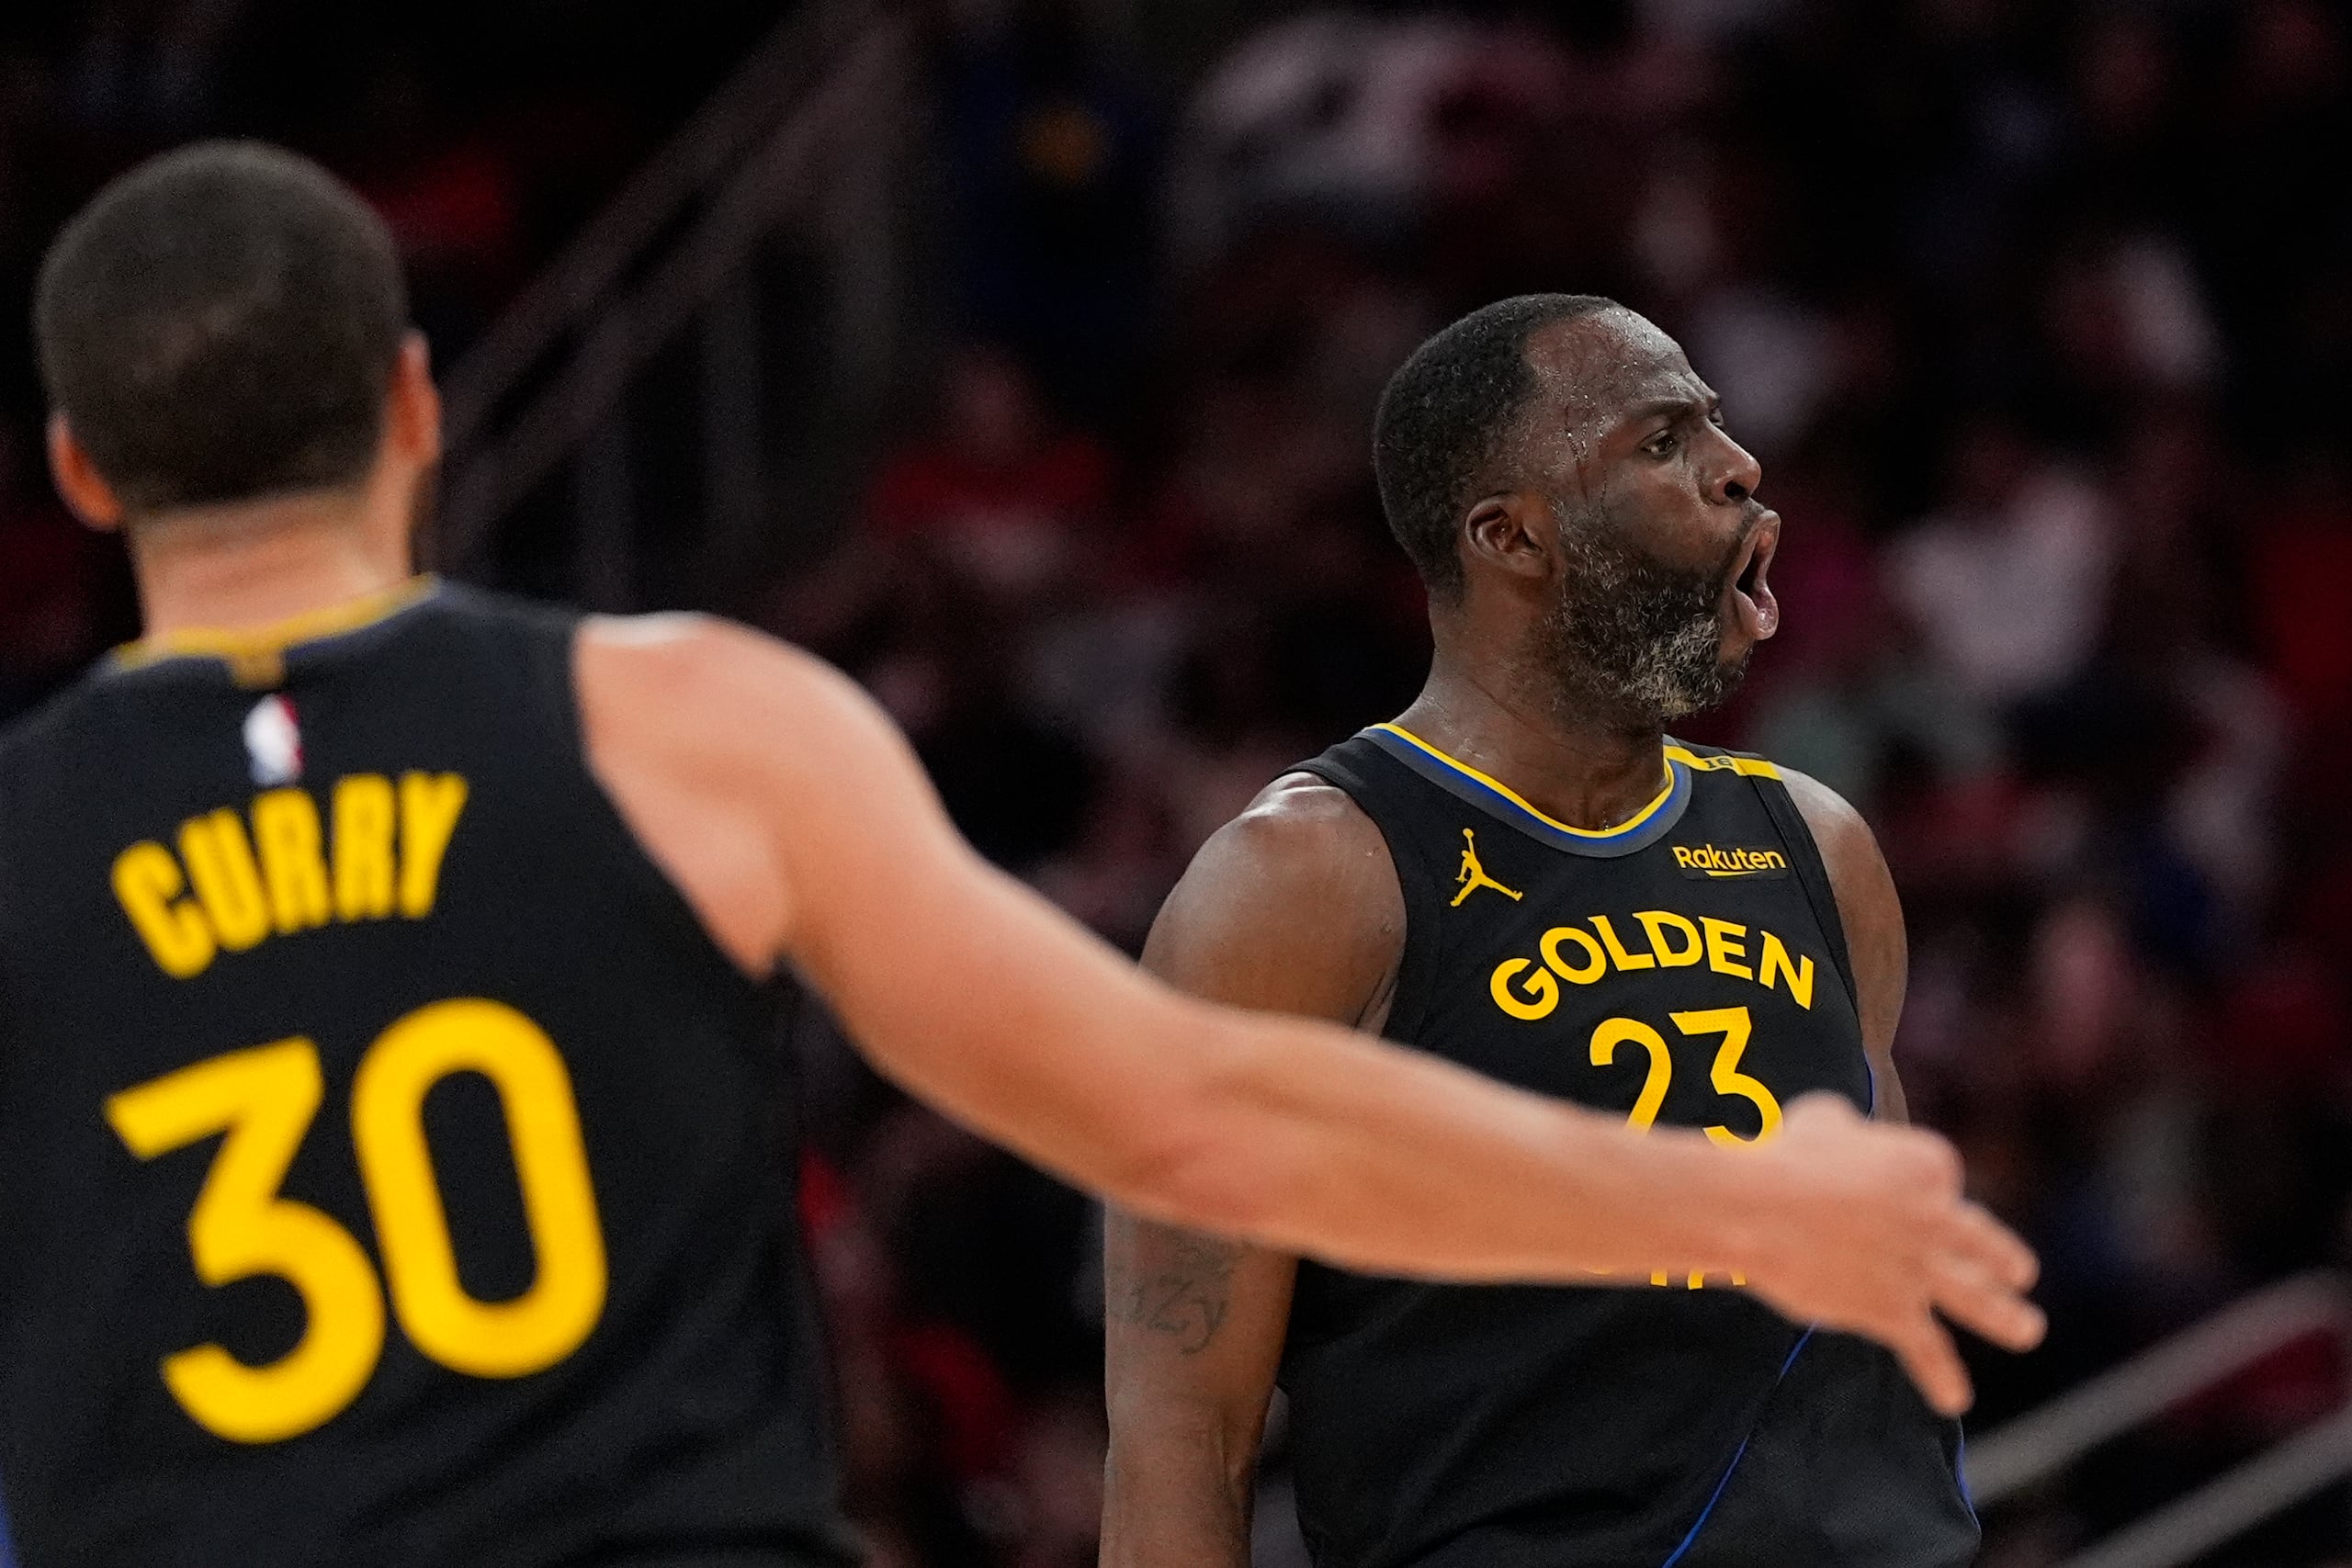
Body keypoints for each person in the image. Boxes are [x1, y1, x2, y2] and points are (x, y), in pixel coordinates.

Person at [0, 149, 2037, 1566]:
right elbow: (1187, 1116)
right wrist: (1725, 1202)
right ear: (417, 404)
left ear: (80, 465)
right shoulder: (691, 722)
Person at [1102, 294, 2011, 1568]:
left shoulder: (1819, 846)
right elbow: (1183, 1443)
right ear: (1512, 537)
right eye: (1660, 441)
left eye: (1718, 423)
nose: (1736, 465)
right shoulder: (1307, 883)